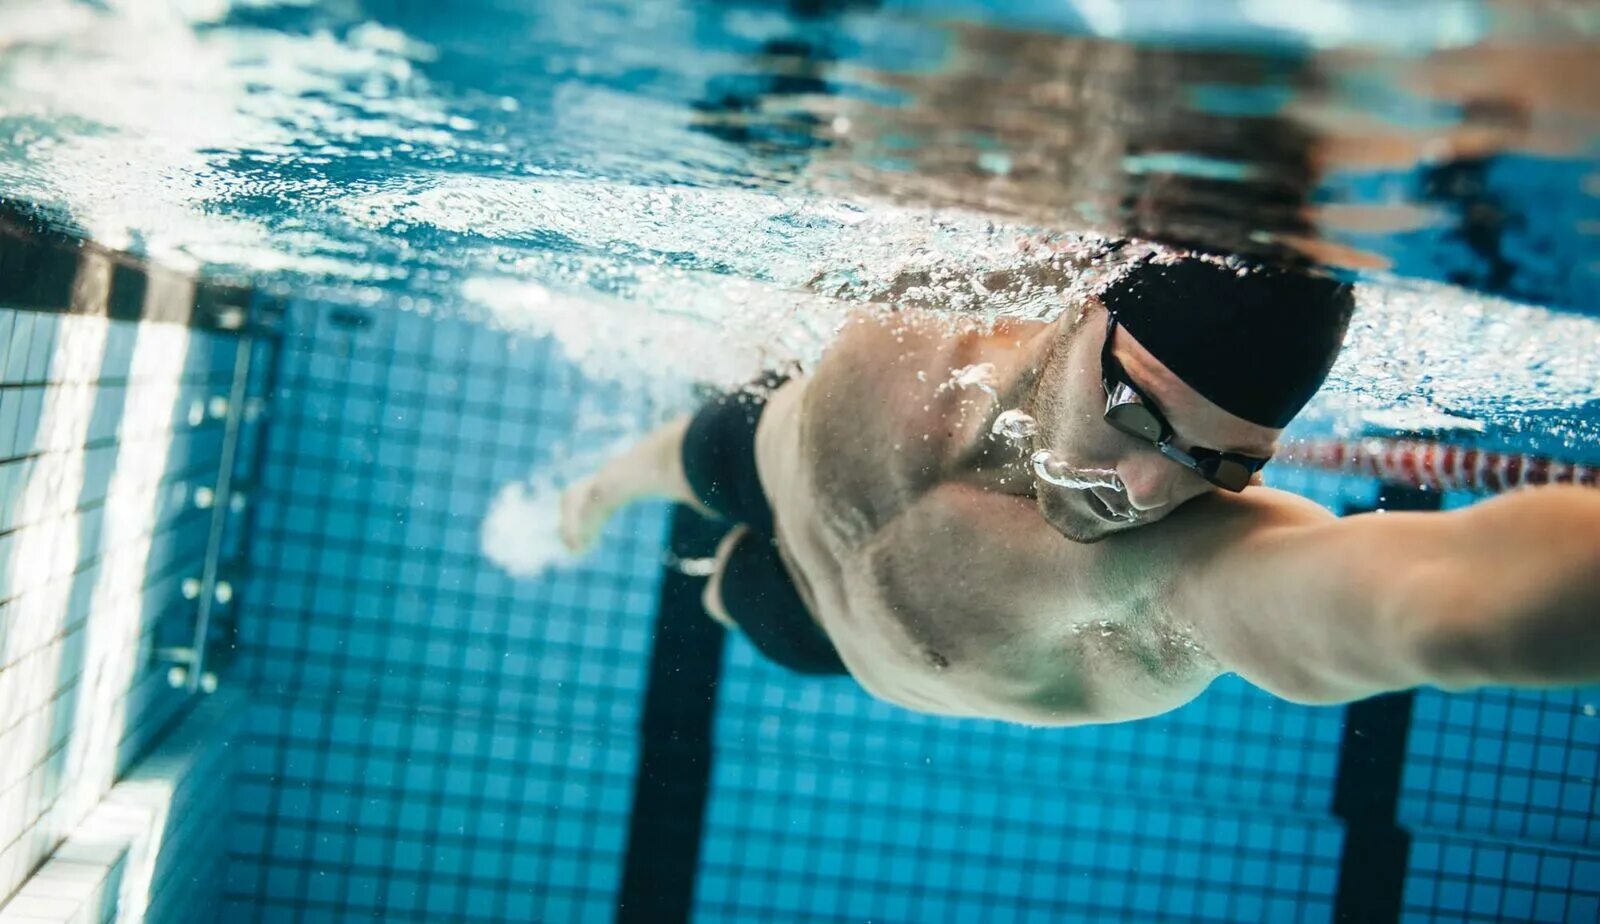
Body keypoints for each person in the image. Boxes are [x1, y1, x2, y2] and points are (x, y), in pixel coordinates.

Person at [560, 253, 1600, 725]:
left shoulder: (1171, 576)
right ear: (1084, 306)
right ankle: (594, 497)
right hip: (770, 451)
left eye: (1221, 464)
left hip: (824, 634)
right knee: (679, 457)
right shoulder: (954, 276)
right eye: (1139, 413)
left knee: (727, 591)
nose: (1147, 490)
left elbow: (1429, 600)